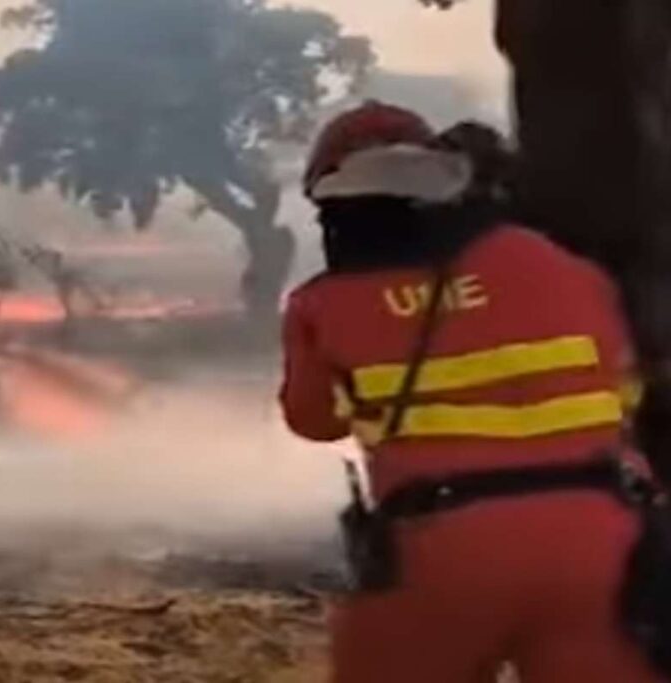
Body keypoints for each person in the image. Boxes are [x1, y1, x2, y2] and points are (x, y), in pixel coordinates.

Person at [280, 101, 660, 681]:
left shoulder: (321, 303)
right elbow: (626, 393)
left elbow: (312, 421)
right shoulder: (562, 265)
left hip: (442, 548)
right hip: (605, 540)